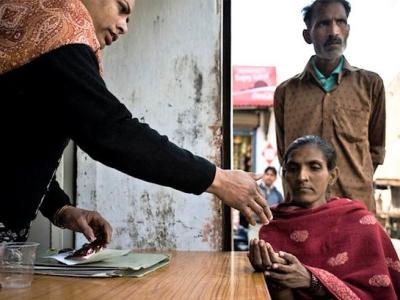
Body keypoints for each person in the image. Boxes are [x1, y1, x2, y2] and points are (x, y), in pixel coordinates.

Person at [0, 0, 272, 243]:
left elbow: (17, 146)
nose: (123, 27)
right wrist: (219, 180)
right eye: (122, 9)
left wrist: (61, 209)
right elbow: (112, 131)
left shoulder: (43, 36)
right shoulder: (60, 26)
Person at [248, 135, 400, 299]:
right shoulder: (274, 225)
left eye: (314, 167)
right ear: (284, 175)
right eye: (293, 168)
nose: (302, 177)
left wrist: (312, 280)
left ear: (332, 176)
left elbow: (379, 292)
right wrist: (268, 273)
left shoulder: (361, 223)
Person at [274, 0, 386, 212]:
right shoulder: (286, 92)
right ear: (308, 35)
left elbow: (376, 151)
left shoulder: (370, 84)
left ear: (348, 30)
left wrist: (355, 179)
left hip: (356, 207)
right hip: (303, 210)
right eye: (323, 24)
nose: (334, 31)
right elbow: (284, 153)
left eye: (341, 22)